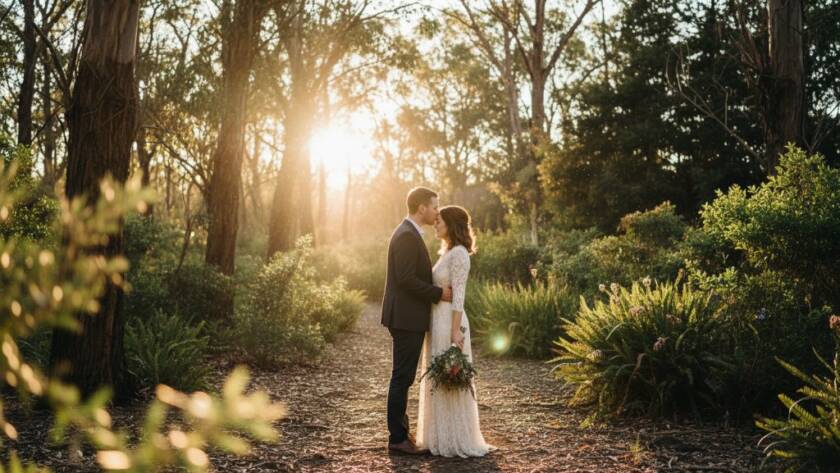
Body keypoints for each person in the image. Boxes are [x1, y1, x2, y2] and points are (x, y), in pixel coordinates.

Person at [416, 205, 494, 457]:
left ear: (451, 224)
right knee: (438, 377)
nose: (435, 224)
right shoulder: (446, 252)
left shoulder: (460, 254)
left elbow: (459, 295)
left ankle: (456, 438)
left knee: (450, 378)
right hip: (437, 319)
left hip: (450, 321)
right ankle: (438, 436)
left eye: (439, 221)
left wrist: (454, 331)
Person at [381, 186, 452, 455]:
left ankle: (401, 432)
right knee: (402, 377)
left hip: (407, 315)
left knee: (404, 376)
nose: (436, 212)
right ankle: (397, 438)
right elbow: (406, 279)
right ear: (421, 207)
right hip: (406, 316)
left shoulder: (409, 233)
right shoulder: (407, 236)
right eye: (434, 206)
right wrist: (439, 294)